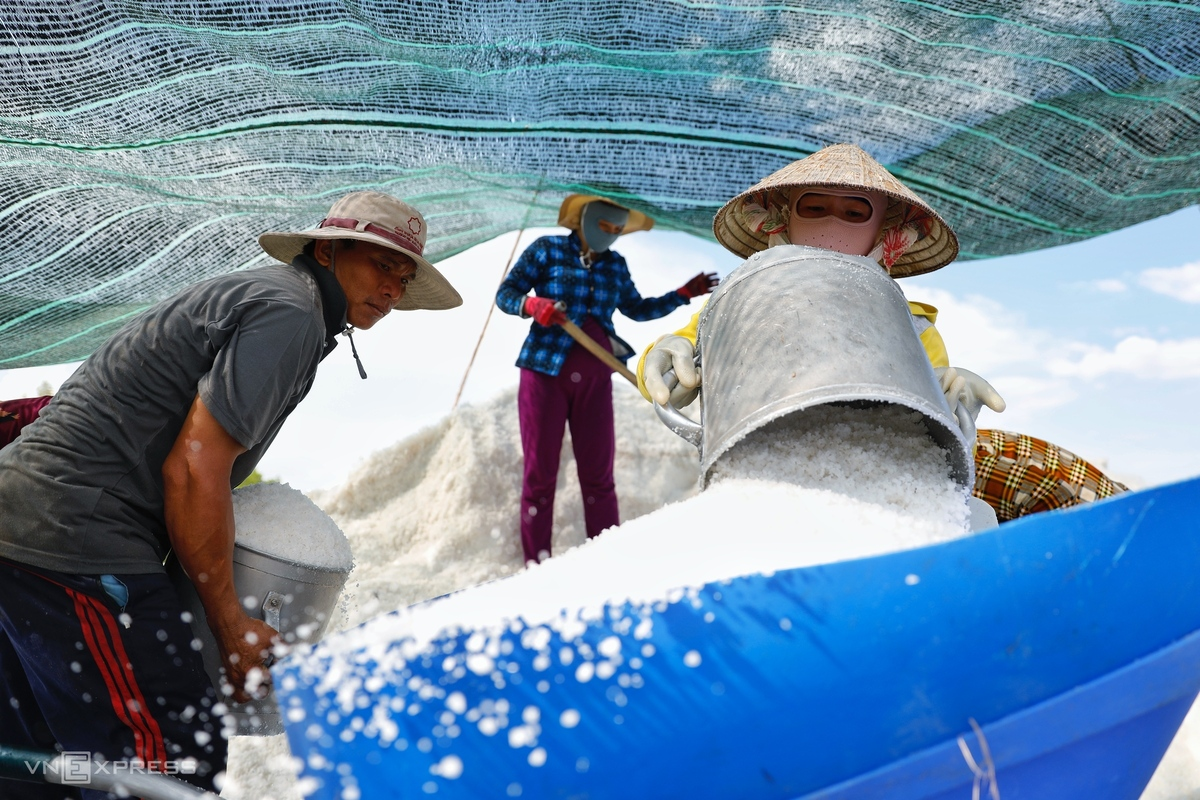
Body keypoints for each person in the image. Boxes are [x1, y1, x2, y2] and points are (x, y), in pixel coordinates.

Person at [0, 190, 461, 797]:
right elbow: (194, 469)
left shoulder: (273, 300)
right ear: (327, 249)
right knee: (169, 753)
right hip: (75, 535)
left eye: (404, 277)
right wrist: (231, 625)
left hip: (25, 521)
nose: (394, 289)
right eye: (382, 265)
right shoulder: (290, 311)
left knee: (50, 753)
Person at [639, 143, 1005, 446]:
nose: (832, 222)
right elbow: (686, 351)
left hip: (876, 463)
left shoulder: (913, 326)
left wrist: (952, 398)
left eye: (854, 211)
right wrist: (664, 358)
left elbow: (933, 399)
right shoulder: (742, 304)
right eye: (814, 207)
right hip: (755, 457)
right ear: (787, 216)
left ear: (882, 229)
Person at [496, 194, 718, 564]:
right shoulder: (546, 250)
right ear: (583, 219)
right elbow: (506, 293)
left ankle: (605, 559)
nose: (611, 236)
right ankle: (536, 561)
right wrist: (531, 305)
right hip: (545, 369)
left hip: (598, 369)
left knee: (599, 475)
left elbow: (636, 308)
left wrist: (681, 295)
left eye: (617, 230)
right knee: (540, 475)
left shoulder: (615, 265)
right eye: (605, 226)